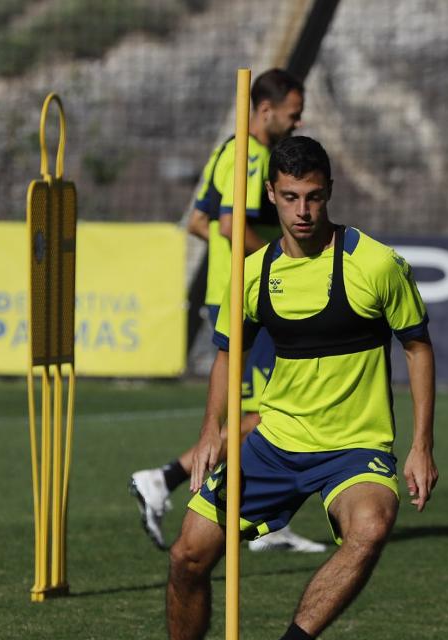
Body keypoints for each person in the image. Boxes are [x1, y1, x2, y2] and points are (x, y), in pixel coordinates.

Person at [125, 136, 437, 640]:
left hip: (355, 446)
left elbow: (418, 347)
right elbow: (227, 353)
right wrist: (212, 429)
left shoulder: (376, 264)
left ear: (330, 194)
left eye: (314, 197)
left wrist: (421, 445)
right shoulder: (251, 273)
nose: (302, 211)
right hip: (273, 443)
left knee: (371, 526)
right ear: (271, 194)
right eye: (290, 197)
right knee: (187, 555)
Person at [129, 68, 326, 555]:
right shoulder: (250, 157)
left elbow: (199, 220)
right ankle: (167, 478)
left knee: (265, 411)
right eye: (294, 114)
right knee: (264, 414)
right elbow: (227, 226)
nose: (299, 122)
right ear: (266, 110)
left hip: (235, 294)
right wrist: (282, 261)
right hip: (245, 302)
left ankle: (259, 516)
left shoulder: (231, 149)